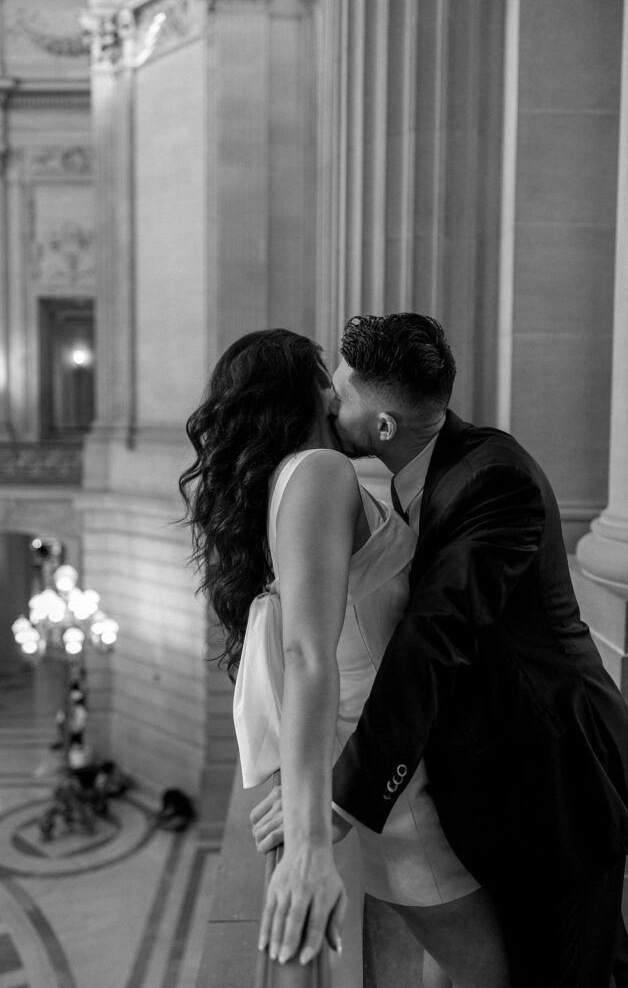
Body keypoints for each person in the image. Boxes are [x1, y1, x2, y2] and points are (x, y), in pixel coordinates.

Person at [324, 313, 628, 987]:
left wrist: (342, 798)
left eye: (342, 396)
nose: (330, 403)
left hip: (555, 786)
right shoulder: (427, 468)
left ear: (383, 427)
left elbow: (434, 637)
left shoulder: (490, 480)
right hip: (514, 783)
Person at [179, 329, 510, 988]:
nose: (336, 394)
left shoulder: (288, 484)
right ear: (300, 395)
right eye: (324, 379)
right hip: (404, 792)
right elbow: (306, 650)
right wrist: (305, 837)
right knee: (495, 973)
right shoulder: (319, 471)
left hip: (388, 765)